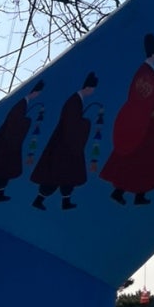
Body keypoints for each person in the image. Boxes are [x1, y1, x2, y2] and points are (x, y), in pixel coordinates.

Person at [100, 32, 154, 205]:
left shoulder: (152, 71)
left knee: (146, 161)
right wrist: (146, 119)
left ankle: (137, 195)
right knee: (138, 159)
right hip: (148, 125)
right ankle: (121, 191)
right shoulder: (145, 73)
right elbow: (141, 100)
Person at [30, 73, 98, 210]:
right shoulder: (74, 101)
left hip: (69, 146)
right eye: (92, 89)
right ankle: (40, 200)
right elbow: (71, 123)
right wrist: (85, 123)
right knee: (55, 176)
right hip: (65, 147)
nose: (92, 92)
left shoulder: (77, 101)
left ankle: (65, 202)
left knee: (67, 176)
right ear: (87, 88)